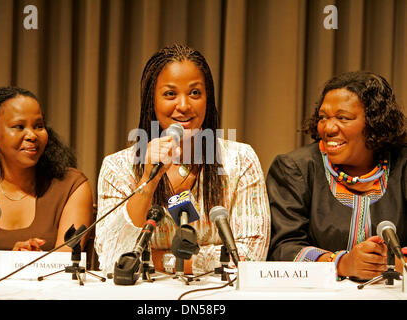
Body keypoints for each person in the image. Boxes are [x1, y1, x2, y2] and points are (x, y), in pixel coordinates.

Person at [95, 44, 270, 275]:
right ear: (152, 101)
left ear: (208, 98)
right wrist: (148, 180)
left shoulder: (240, 160)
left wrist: (163, 260)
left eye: (195, 92)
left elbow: (249, 258)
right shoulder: (117, 167)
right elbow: (111, 257)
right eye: (170, 94)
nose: (184, 105)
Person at [267, 71, 406, 281]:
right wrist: (341, 263)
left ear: (375, 123)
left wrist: (393, 262)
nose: (329, 128)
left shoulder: (403, 166)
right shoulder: (295, 169)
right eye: (323, 117)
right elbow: (282, 248)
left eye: (343, 118)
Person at [0, 86, 93, 267]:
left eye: (39, 126)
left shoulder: (71, 185)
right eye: (19, 127)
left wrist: (25, 260)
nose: (32, 135)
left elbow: (67, 254)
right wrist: (12, 259)